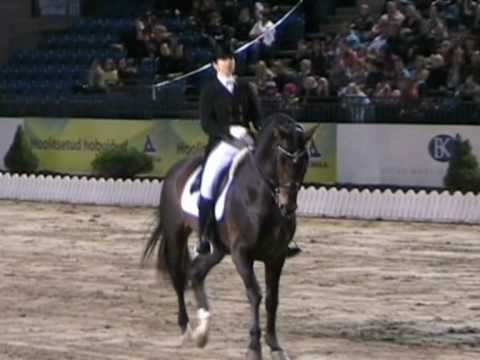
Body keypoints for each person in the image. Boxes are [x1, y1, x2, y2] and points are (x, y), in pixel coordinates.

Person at [197, 44, 302, 257]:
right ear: (215, 65)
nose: (229, 63)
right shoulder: (209, 90)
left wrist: (265, 132)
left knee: (274, 178)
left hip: (247, 140)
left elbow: (257, 118)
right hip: (222, 144)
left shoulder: (245, 87)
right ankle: (205, 236)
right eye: (224, 60)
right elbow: (206, 123)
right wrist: (227, 131)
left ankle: (283, 236)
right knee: (208, 184)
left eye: (231, 59)